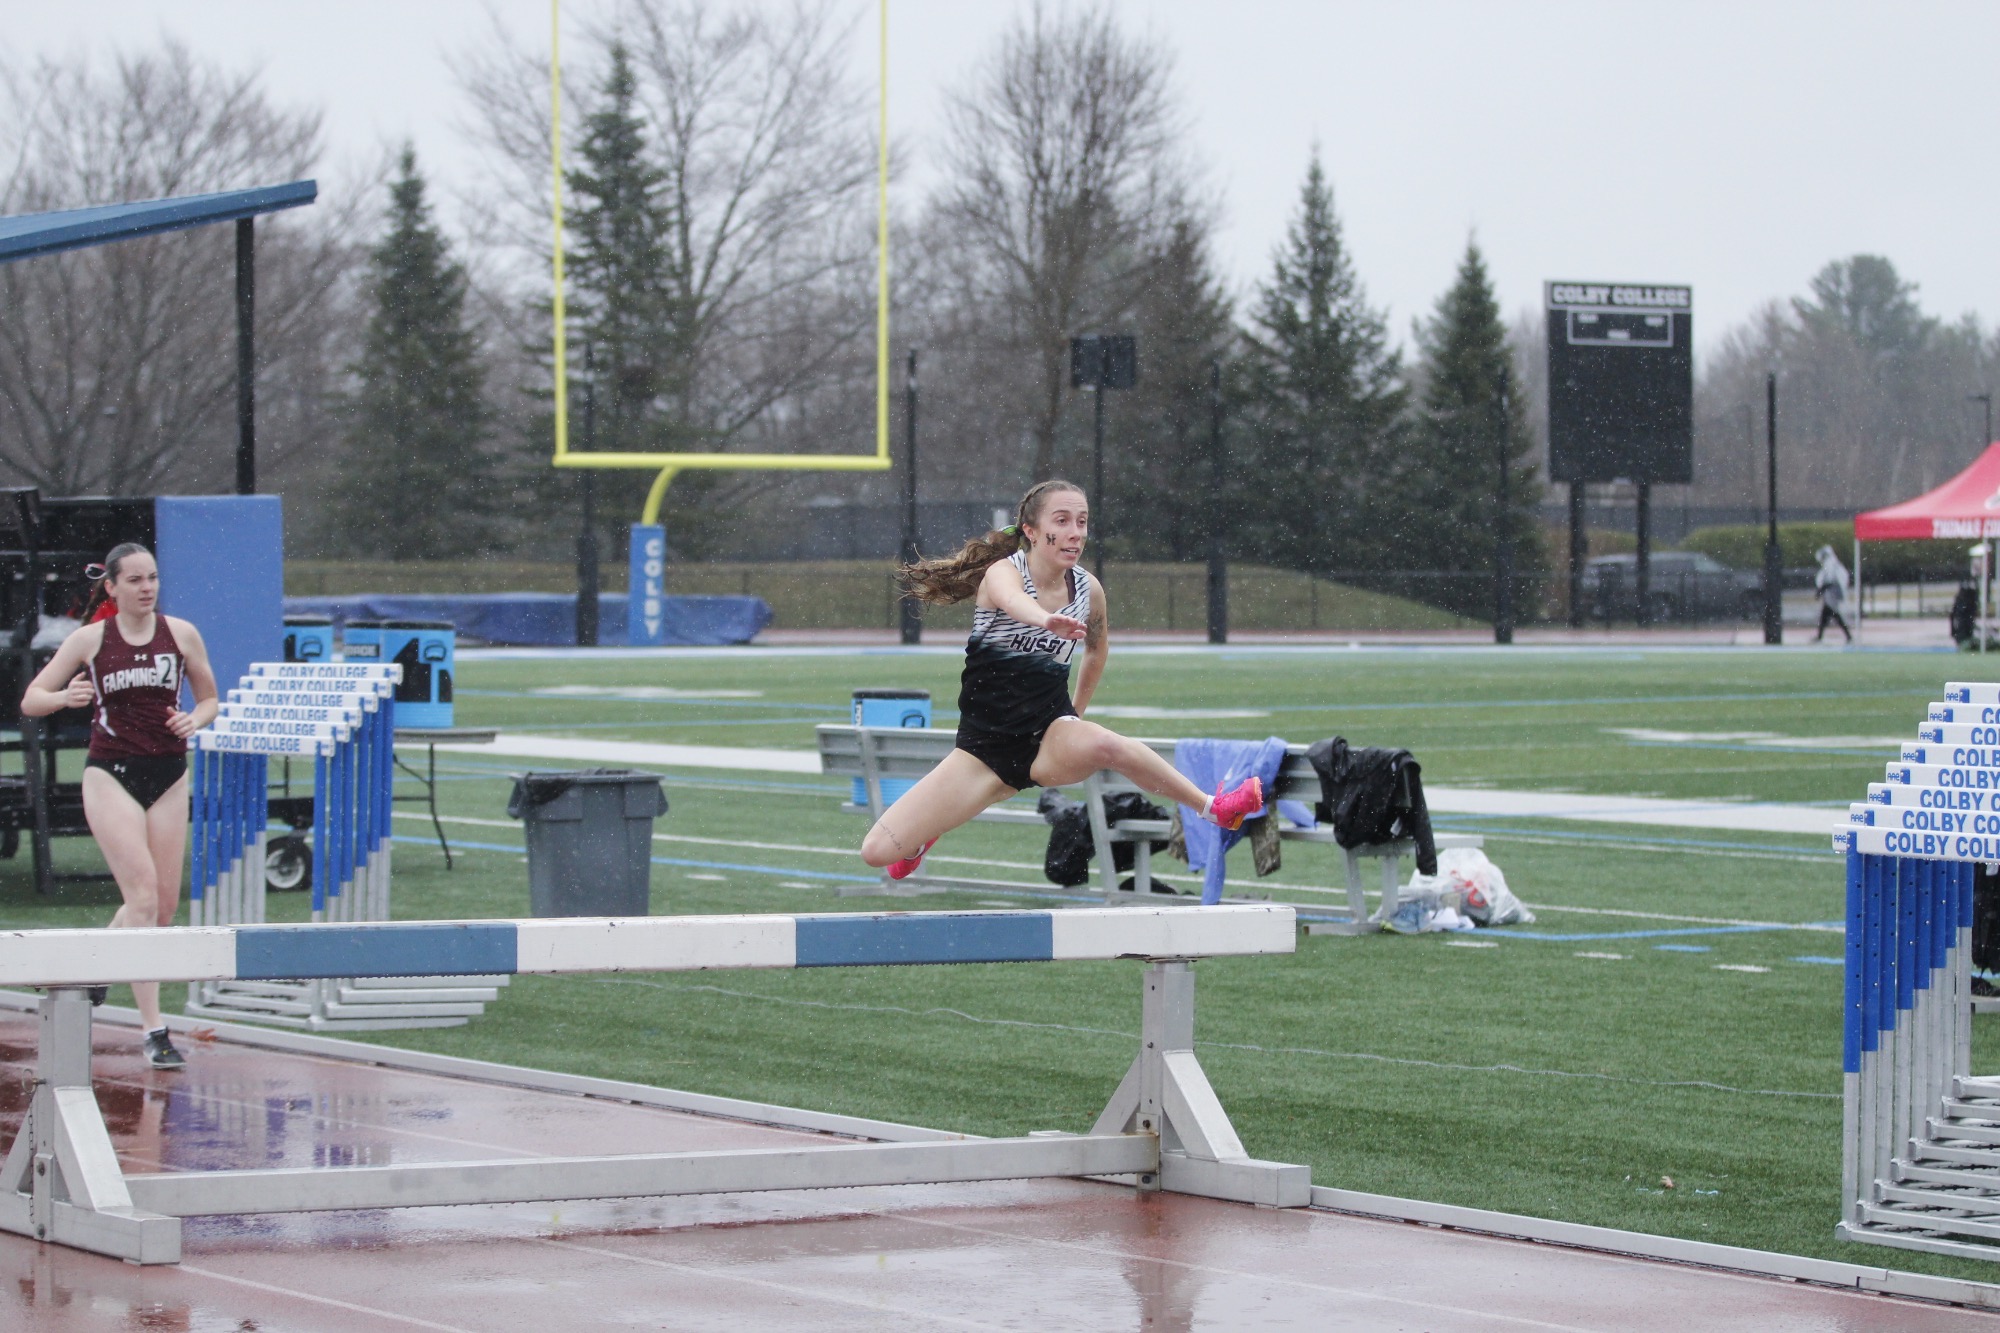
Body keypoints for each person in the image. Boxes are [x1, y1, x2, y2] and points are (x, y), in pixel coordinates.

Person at [860, 480, 1263, 879]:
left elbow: (1097, 650)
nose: (1076, 533)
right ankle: (920, 840)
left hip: (1049, 738)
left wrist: (1074, 715)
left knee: (1108, 745)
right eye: (1063, 520)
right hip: (983, 751)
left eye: (1082, 522)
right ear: (1032, 531)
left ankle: (1214, 807)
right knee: (876, 852)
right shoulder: (1003, 572)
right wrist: (1044, 619)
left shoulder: (1088, 589)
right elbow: (1013, 600)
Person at [21, 544, 218, 1068]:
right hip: (111, 775)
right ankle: (155, 1030)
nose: (146, 588)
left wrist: (195, 720)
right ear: (111, 587)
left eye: (152, 578)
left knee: (163, 908)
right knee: (143, 897)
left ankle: (94, 964)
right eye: (134, 580)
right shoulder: (90, 639)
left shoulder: (181, 633)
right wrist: (63, 699)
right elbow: (31, 698)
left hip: (168, 774)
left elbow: (209, 699)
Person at [1813, 544, 1852, 644]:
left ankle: (1848, 636)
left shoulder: (1830, 564)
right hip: (1831, 594)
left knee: (1832, 614)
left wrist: (1820, 591)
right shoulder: (1833, 563)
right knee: (1828, 614)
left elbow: (1829, 581)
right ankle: (1847, 636)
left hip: (1832, 594)